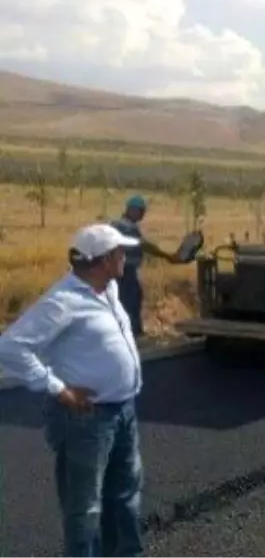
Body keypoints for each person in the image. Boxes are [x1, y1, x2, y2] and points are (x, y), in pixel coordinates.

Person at [0, 223, 146, 558]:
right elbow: (10, 347)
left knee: (124, 498)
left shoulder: (107, 291)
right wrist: (58, 388)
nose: (126, 257)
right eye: (120, 252)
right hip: (86, 420)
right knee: (86, 510)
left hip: (123, 412)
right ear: (104, 260)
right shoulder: (63, 301)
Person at [111, 195, 187, 339]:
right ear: (132, 210)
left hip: (114, 270)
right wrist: (168, 256)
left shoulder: (115, 224)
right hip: (125, 271)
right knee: (131, 300)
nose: (142, 215)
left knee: (122, 300)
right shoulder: (127, 227)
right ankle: (133, 333)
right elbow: (145, 245)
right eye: (141, 211)